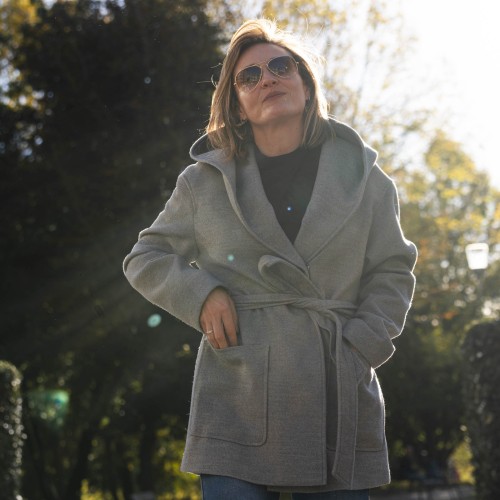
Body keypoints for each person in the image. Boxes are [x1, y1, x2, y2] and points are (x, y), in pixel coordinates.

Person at [123, 18, 417, 500]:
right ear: (236, 104)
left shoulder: (365, 177)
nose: (268, 79)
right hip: (237, 391)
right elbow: (145, 257)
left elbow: (393, 267)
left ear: (306, 83)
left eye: (281, 66)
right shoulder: (203, 181)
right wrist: (203, 295)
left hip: (336, 385)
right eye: (249, 76)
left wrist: (363, 344)